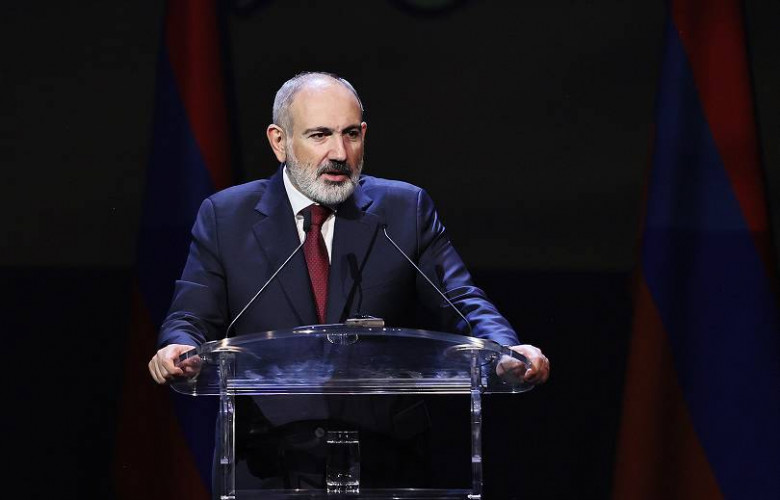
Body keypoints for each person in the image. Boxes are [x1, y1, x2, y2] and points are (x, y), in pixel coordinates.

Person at [148, 71, 550, 488]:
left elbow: (460, 299)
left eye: (351, 134)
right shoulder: (226, 217)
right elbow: (191, 316)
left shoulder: (404, 210)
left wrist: (504, 349)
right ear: (279, 142)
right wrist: (179, 347)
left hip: (386, 466)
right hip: (267, 465)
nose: (339, 152)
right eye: (320, 135)